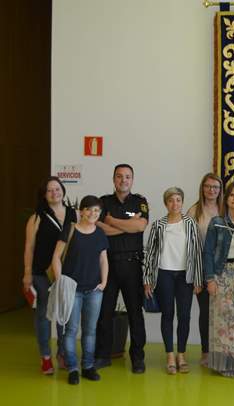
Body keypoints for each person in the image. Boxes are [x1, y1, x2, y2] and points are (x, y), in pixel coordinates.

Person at [94, 164, 149, 373]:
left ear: (132, 180)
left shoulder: (140, 201)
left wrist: (112, 221)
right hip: (107, 265)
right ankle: (102, 355)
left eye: (127, 177)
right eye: (119, 176)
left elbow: (140, 226)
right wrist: (127, 225)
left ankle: (138, 358)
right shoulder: (103, 202)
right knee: (104, 312)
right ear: (113, 179)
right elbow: (100, 229)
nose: (123, 180)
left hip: (132, 265)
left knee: (135, 313)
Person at [143, 187, 203, 374]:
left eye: (178, 200)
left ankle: (181, 355)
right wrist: (147, 279)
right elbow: (150, 253)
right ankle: (170, 354)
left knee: (184, 316)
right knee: (167, 315)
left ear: (182, 202)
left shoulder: (191, 223)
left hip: (185, 276)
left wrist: (198, 279)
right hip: (164, 275)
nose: (174, 204)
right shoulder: (158, 225)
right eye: (171, 200)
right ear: (165, 203)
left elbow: (197, 252)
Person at [51, 195, 109, 385]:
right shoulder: (69, 230)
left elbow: (103, 259)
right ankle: (73, 368)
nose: (93, 213)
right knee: (71, 331)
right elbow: (56, 257)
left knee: (90, 331)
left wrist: (104, 282)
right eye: (90, 209)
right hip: (72, 291)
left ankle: (88, 366)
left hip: (94, 290)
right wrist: (61, 282)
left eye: (97, 211)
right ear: (81, 211)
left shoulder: (100, 233)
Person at [23, 176, 77, 374]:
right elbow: (29, 247)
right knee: (45, 315)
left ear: (63, 190)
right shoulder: (37, 216)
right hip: (41, 273)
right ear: (44, 195)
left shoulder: (73, 214)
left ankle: (63, 354)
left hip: (66, 274)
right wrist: (27, 273)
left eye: (57, 189)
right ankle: (45, 357)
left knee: (64, 315)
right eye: (50, 190)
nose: (55, 193)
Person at [203, 182, 234, 377]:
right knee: (224, 319)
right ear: (226, 199)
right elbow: (208, 252)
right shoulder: (216, 222)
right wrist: (210, 279)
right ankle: (224, 363)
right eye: (231, 195)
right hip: (222, 274)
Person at [187, 173, 224, 366]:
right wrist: (194, 276)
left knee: (223, 312)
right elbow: (190, 246)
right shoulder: (194, 211)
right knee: (206, 312)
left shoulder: (225, 210)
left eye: (215, 187)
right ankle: (206, 351)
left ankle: (222, 350)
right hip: (202, 268)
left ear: (220, 190)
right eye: (208, 187)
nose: (212, 190)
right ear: (202, 188)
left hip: (224, 268)